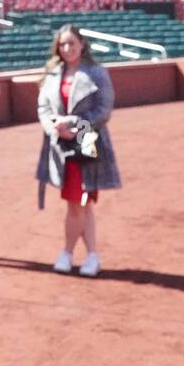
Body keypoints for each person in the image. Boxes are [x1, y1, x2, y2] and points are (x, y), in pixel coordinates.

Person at [36, 25, 121, 277]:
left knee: (77, 201)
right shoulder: (53, 74)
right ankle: (92, 256)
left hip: (86, 141)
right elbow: (43, 108)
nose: (67, 49)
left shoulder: (96, 72)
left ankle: (68, 252)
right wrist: (55, 127)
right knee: (80, 203)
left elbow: (104, 110)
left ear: (82, 44)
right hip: (60, 143)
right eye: (63, 44)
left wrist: (73, 124)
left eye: (72, 43)